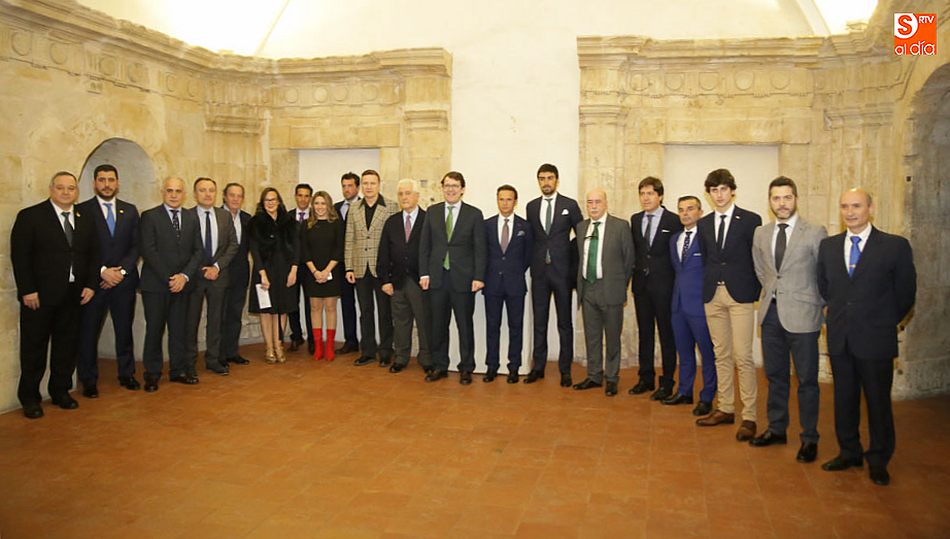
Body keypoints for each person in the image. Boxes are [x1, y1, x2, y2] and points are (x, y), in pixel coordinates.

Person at [817, 188, 916, 486]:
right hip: (841, 337)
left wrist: (884, 322)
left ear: (870, 208)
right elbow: (825, 287)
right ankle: (849, 452)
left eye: (857, 206)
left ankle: (878, 459)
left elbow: (906, 293)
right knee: (844, 399)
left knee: (877, 402)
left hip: (875, 338)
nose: (850, 212)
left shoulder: (894, 246)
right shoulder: (829, 246)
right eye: (845, 206)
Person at [750, 177, 827, 463]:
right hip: (770, 314)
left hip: (804, 316)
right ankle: (776, 428)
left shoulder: (815, 232)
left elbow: (823, 273)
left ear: (795, 198)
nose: (781, 203)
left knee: (807, 380)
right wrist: (774, 291)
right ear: (769, 201)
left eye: (787, 197)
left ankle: (809, 438)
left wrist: (815, 303)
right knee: (775, 376)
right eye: (776, 198)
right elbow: (762, 271)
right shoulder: (761, 233)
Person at [11, 171, 99, 418]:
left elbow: (94, 254)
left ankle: (60, 391)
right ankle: (30, 397)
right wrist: (27, 289)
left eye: (71, 188)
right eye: (60, 188)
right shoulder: (31, 217)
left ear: (76, 191)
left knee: (66, 346)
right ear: (51, 189)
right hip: (39, 297)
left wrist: (91, 284)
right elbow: (21, 257)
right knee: (34, 348)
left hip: (74, 295)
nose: (66, 192)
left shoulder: (85, 218)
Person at [695, 169, 762, 442]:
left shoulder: (750, 220)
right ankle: (725, 407)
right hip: (713, 294)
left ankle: (750, 416)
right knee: (720, 353)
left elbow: (757, 259)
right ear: (708, 194)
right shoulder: (704, 223)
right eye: (713, 190)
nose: (719, 195)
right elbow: (708, 258)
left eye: (723, 189)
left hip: (740, 295)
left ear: (732, 190)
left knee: (743, 356)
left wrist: (753, 290)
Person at [76, 164, 140, 398]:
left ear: (117, 183)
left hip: (124, 283)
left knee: (124, 330)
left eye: (111, 180)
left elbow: (136, 246)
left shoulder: (130, 210)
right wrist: (102, 271)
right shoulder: (81, 211)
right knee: (88, 333)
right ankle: (89, 379)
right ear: (94, 183)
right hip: (95, 284)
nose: (106, 184)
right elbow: (80, 250)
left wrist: (120, 272)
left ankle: (127, 374)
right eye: (101, 180)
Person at [419, 171, 487, 384]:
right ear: (442, 188)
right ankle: (440, 366)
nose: (450, 189)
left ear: (462, 189)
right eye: (447, 185)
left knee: (464, 325)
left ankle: (466, 367)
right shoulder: (432, 212)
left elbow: (480, 249)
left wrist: (478, 276)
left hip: (464, 279)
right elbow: (424, 246)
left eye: (455, 185)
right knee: (438, 325)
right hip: (437, 278)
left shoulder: (474, 214)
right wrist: (424, 273)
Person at [139, 176, 204, 391]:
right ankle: (152, 374)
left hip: (183, 285)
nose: (174, 195)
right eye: (170, 191)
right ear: (163, 192)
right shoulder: (149, 217)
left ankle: (178, 370)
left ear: (184, 194)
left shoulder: (191, 218)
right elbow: (149, 251)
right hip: (156, 285)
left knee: (179, 330)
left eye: (178, 191)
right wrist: (170, 278)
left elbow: (198, 251)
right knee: (155, 329)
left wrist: (184, 276)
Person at [572, 188, 634, 397]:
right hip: (588, 289)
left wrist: (618, 284)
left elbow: (629, 261)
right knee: (592, 336)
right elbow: (580, 258)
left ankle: (612, 377)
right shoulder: (581, 228)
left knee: (612, 336)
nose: (593, 206)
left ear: (606, 203)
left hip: (611, 289)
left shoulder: (620, 226)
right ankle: (594, 375)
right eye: (590, 202)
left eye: (597, 202)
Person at [525, 163, 583, 387]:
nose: (546, 182)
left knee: (564, 322)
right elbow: (530, 239)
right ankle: (538, 367)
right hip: (539, 272)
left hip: (562, 273)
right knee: (539, 321)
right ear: (538, 181)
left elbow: (581, 236)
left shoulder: (569, 205)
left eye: (549, 178)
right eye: (542, 178)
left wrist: (572, 264)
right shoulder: (531, 207)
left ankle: (565, 369)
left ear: (556, 180)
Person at [628, 177, 683, 400]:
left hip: (665, 286)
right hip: (641, 286)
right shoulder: (635, 219)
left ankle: (667, 381)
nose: (646, 198)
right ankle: (646, 378)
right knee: (645, 333)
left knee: (666, 334)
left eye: (650, 193)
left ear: (660, 196)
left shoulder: (673, 220)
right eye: (642, 193)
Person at [664, 196, 717, 416]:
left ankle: (707, 396)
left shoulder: (706, 239)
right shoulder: (674, 238)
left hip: (700, 306)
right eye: (681, 210)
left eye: (690, 209)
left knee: (707, 353)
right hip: (678, 305)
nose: (685, 213)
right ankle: (685, 391)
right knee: (684, 352)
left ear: (700, 212)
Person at [185, 178, 238, 376]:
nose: (207, 194)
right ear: (195, 193)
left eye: (211, 190)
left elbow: (233, 244)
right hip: (194, 278)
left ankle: (213, 360)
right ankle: (189, 363)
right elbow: (184, 249)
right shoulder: (187, 216)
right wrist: (200, 269)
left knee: (216, 321)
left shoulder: (224, 216)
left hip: (219, 276)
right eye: (202, 190)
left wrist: (217, 266)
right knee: (191, 322)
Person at [377, 179, 431, 374]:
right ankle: (401, 357)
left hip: (420, 281)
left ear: (417, 196)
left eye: (408, 193)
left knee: (424, 321)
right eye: (401, 194)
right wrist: (385, 280)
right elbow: (383, 252)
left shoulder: (428, 220)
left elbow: (433, 251)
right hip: (397, 281)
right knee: (400, 322)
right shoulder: (391, 222)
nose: (404, 197)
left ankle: (426, 358)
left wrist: (430, 276)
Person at [344, 170, 397, 367]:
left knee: (385, 312)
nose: (368, 187)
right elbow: (349, 239)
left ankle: (385, 352)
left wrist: (391, 270)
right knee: (365, 311)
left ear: (379, 185)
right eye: (365, 183)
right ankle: (367, 350)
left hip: (382, 269)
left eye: (372, 183)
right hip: (360, 267)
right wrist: (348, 267)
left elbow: (394, 241)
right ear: (361, 186)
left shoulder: (391, 206)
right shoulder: (354, 208)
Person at [483, 184, 533, 383]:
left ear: (515, 201)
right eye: (501, 199)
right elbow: (483, 253)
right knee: (492, 326)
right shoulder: (486, 225)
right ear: (497, 200)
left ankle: (514, 367)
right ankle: (491, 366)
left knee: (516, 326)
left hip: (515, 284)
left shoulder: (525, 226)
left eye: (509, 199)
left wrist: (515, 271)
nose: (505, 203)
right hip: (492, 283)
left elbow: (528, 255)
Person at [248, 187, 300, 363]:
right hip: (264, 272)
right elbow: (254, 250)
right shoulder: (255, 222)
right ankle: (269, 347)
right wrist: (262, 274)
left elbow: (297, 248)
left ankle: (279, 344)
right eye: (267, 200)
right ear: (262, 203)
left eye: (273, 199)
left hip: (285, 272)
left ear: (279, 201)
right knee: (267, 311)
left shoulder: (290, 221)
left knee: (282, 309)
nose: (270, 203)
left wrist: (293, 270)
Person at [301, 190, 344, 361]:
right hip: (313, 273)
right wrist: (315, 271)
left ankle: (330, 347)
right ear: (313, 205)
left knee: (331, 308)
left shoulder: (337, 224)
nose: (319, 207)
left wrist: (326, 271)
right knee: (315, 308)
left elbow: (339, 249)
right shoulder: (306, 224)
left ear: (329, 205)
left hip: (331, 271)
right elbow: (304, 250)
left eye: (323, 203)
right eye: (317, 203)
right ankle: (318, 347)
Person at [221, 182, 252, 366]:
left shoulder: (247, 219)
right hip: (220, 273)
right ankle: (218, 354)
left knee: (234, 314)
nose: (235, 199)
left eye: (239, 196)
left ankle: (232, 351)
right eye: (232, 195)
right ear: (225, 196)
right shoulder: (215, 216)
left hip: (240, 273)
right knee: (219, 315)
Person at [333, 172, 361, 354]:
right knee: (347, 303)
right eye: (344, 186)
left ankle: (371, 341)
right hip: (342, 264)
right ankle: (351, 340)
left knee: (366, 305)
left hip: (362, 262)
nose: (346, 189)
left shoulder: (364, 206)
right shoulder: (335, 208)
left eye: (350, 186)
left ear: (357, 187)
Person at [288, 183, 314, 354]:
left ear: (310, 198)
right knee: (292, 303)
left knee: (311, 304)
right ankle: (296, 336)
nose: (303, 199)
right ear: (295, 196)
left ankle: (313, 339)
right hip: (291, 268)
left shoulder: (316, 215)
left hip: (310, 267)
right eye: (300, 195)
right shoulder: (287, 217)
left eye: (306, 196)